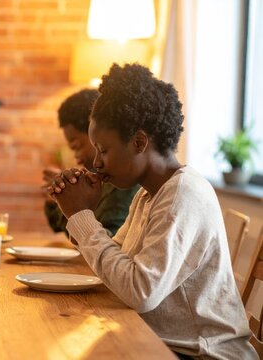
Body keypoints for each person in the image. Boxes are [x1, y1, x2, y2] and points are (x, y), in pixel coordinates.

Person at [48, 63, 256, 359]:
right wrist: (80, 212)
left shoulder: (182, 195)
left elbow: (140, 291)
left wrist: (82, 218)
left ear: (139, 141)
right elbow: (115, 266)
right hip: (160, 344)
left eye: (103, 150)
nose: (95, 162)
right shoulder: (149, 195)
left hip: (203, 354)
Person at [43, 89, 137, 236]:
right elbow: (61, 228)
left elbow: (108, 243)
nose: (77, 158)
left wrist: (77, 209)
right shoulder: (99, 180)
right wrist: (59, 198)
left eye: (76, 147)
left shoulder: (123, 183)